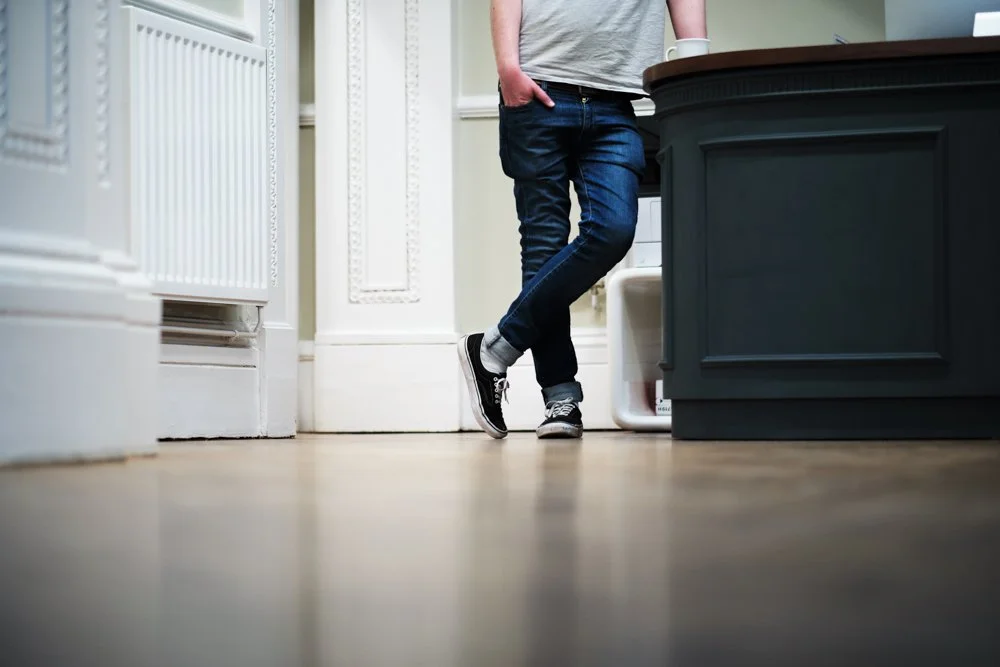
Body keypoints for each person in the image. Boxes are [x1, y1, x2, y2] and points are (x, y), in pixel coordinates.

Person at [459, 0, 708, 439]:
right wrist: (508, 68)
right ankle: (561, 400)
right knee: (543, 244)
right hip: (536, 88)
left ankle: (495, 347)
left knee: (613, 230)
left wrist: (694, 66)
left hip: (615, 99)